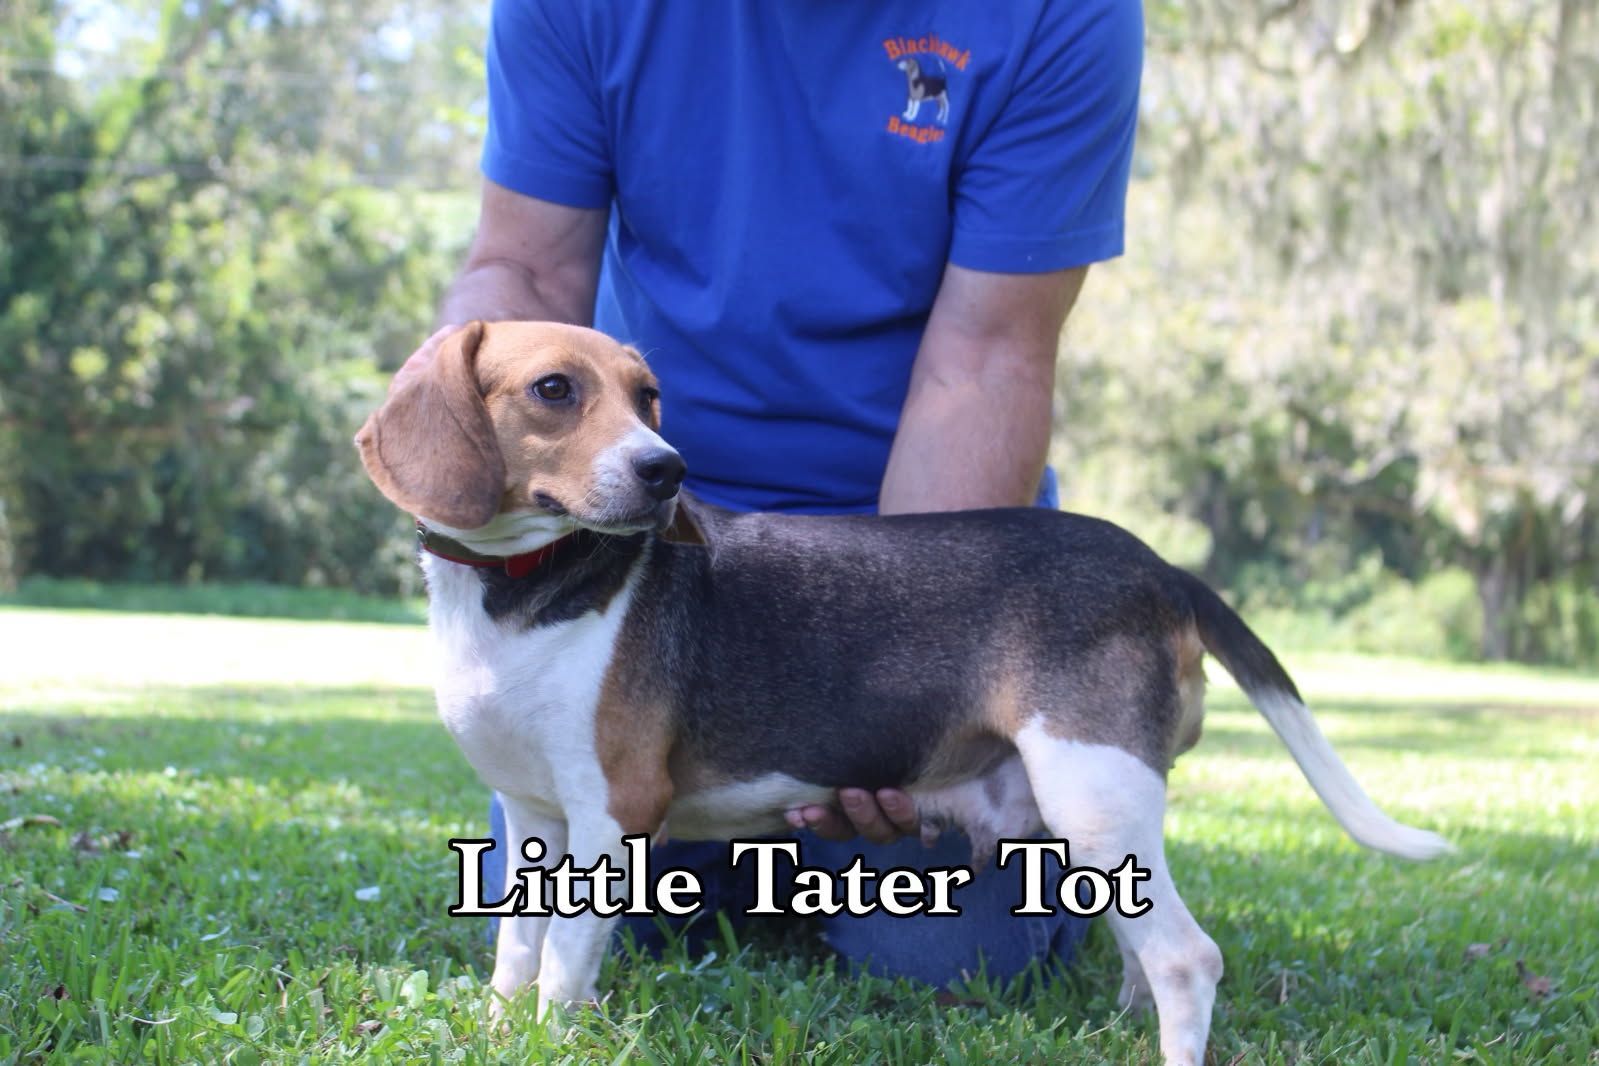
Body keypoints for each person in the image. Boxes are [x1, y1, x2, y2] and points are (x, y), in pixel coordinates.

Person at [397, 0, 1143, 987]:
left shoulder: (1061, 14)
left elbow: (987, 359)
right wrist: (441, 430)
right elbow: (526, 266)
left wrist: (907, 689)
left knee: (940, 959)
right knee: (595, 912)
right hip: (643, 570)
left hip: (903, 588)